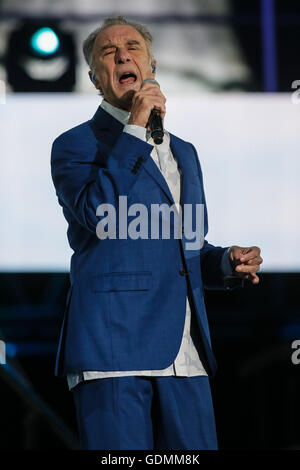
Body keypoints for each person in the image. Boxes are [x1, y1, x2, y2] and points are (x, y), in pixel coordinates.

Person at [50, 16, 263, 450]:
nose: (123, 54)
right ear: (94, 78)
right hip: (113, 351)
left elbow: (185, 250)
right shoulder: (75, 145)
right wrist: (135, 129)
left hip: (185, 353)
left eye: (132, 47)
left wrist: (226, 262)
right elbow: (102, 215)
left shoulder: (184, 152)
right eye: (108, 52)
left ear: (152, 66)